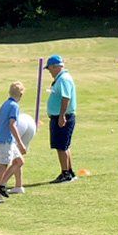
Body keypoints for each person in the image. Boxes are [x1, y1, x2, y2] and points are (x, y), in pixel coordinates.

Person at [0, 82, 26, 204]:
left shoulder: (4, 104)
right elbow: (12, 124)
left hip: (5, 139)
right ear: (20, 94)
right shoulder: (14, 106)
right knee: (2, 166)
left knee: (19, 161)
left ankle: (2, 184)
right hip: (7, 141)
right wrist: (20, 142)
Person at [45, 55, 77, 183]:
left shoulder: (63, 79)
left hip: (62, 116)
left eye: (50, 69)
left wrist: (62, 115)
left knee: (61, 146)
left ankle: (65, 173)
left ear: (55, 67)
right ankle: (69, 171)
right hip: (60, 115)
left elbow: (66, 98)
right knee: (65, 145)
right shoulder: (61, 78)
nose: (49, 72)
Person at [0, 112, 36, 194]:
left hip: (20, 126)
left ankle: (0, 184)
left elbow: (2, 160)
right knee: (17, 159)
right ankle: (18, 186)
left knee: (16, 160)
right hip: (30, 122)